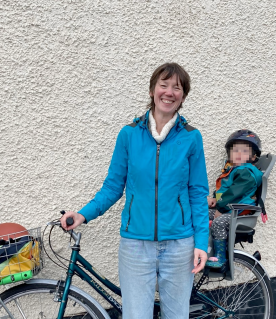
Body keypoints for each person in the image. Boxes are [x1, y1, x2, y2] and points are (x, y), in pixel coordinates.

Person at [61, 63, 209, 319]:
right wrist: (83, 214)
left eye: (177, 87)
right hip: (135, 245)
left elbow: (197, 193)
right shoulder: (128, 135)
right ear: (153, 90)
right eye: (164, 85)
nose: (169, 92)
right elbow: (113, 186)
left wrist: (201, 243)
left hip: (179, 245)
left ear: (183, 96)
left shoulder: (191, 137)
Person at [206, 129, 263, 269]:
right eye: (235, 150)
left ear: (253, 156)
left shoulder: (246, 173)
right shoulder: (233, 170)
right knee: (200, 213)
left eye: (244, 151)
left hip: (237, 212)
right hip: (228, 209)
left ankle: (220, 257)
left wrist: (220, 208)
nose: (238, 153)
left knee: (218, 223)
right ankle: (205, 248)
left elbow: (234, 193)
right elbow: (224, 189)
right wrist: (214, 199)